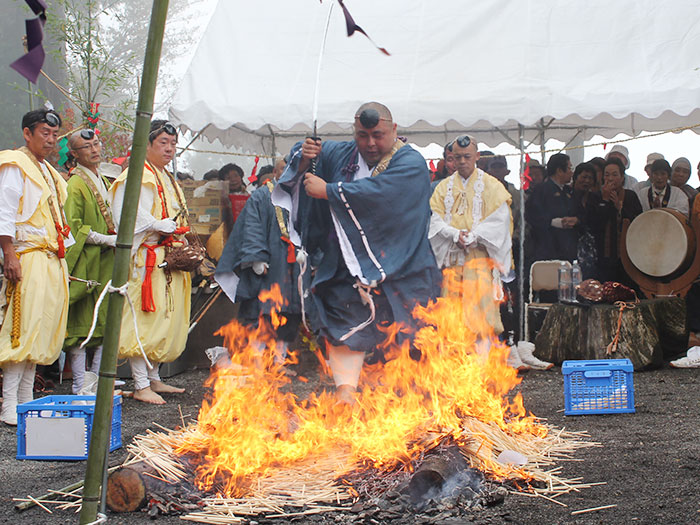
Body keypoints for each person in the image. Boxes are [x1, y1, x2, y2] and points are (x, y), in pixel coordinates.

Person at [272, 102, 440, 403]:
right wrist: (303, 159)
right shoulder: (344, 154)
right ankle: (346, 391)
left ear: (394, 130)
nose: (371, 143)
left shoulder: (411, 162)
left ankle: (406, 398)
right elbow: (306, 152)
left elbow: (384, 195)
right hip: (346, 264)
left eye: (378, 135)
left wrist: (330, 191)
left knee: (408, 330)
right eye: (363, 135)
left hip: (401, 263)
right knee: (342, 318)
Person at [110, 120, 191, 404]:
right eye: (163, 144)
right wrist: (159, 224)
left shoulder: (165, 176)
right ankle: (140, 383)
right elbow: (125, 214)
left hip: (167, 257)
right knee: (141, 320)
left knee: (163, 319)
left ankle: (154, 377)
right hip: (146, 256)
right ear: (147, 145)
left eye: (172, 144)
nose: (169, 149)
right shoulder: (136, 174)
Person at [0, 109, 71, 425]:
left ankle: (26, 402)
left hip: (51, 258)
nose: (51, 139)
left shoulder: (48, 170)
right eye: (45, 132)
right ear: (28, 133)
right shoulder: (16, 164)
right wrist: (8, 253)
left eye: (54, 134)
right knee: (22, 329)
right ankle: (9, 404)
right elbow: (4, 211)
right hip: (26, 255)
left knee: (41, 330)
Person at [216, 165, 302, 368]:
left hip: (294, 267)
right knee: (261, 312)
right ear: (276, 172)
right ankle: (256, 361)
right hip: (269, 265)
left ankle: (279, 362)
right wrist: (256, 257)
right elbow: (251, 225)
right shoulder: (262, 196)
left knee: (289, 313)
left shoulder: (301, 194)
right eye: (284, 168)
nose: (289, 172)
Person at [429, 136, 512, 337]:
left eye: (467, 157)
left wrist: (475, 237)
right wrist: (454, 234)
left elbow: (500, 221)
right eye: (457, 157)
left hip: (480, 261)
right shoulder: (442, 188)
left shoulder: (492, 186)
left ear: (477, 157)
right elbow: (434, 220)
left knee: (481, 317)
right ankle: (453, 364)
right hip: (453, 261)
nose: (462, 162)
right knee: (452, 317)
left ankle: (482, 366)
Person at [63, 129, 116, 394]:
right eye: (86, 147)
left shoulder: (101, 179)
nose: (94, 150)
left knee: (105, 318)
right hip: (86, 258)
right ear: (74, 154)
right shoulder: (75, 183)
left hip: (105, 259)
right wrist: (106, 240)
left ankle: (96, 379)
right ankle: (80, 383)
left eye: (96, 144)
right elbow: (74, 226)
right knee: (82, 320)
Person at [588, 157, 643, 282]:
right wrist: (605, 200)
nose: (610, 178)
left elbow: (637, 222)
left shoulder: (630, 196)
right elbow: (594, 224)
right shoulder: (595, 196)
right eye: (607, 174)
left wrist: (620, 209)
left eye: (614, 174)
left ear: (622, 177)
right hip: (602, 255)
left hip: (627, 255)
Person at [525, 153, 578, 262]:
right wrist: (552, 222)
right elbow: (532, 215)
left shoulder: (569, 191)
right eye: (569, 168)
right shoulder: (541, 190)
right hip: (547, 249)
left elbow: (580, 212)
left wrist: (577, 220)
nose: (571, 172)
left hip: (568, 249)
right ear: (559, 170)